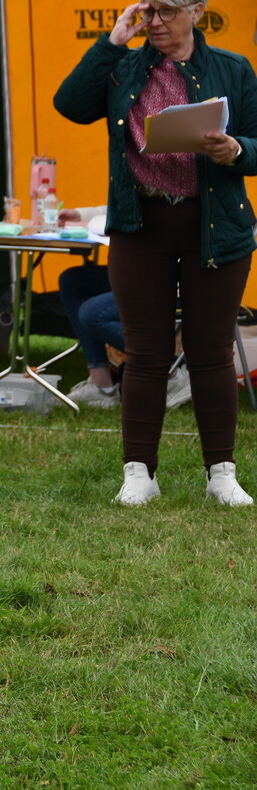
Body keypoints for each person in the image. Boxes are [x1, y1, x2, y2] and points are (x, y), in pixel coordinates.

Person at [54, 0, 257, 506]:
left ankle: (221, 474)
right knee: (146, 351)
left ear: (197, 11)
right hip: (139, 224)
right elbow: (69, 104)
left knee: (211, 351)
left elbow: (255, 143)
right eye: (149, 11)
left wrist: (236, 150)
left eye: (167, 10)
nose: (157, 22)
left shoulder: (232, 68)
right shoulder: (122, 66)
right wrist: (112, 41)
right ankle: (139, 473)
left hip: (215, 225)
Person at [58, 205, 192, 410]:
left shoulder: (176, 187)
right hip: (144, 271)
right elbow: (123, 204)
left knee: (93, 314)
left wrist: (91, 223)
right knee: (72, 281)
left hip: (176, 283)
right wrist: (80, 215)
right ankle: (101, 385)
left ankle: (172, 373)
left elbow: (141, 219)